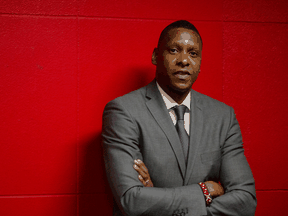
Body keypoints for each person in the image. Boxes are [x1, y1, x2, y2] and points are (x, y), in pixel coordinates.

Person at [102, 20, 256, 216]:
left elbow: (245, 200)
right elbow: (132, 200)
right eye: (174, 50)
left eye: (193, 53)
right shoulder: (124, 112)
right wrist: (205, 191)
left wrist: (156, 199)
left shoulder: (223, 117)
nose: (184, 60)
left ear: (200, 63)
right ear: (156, 56)